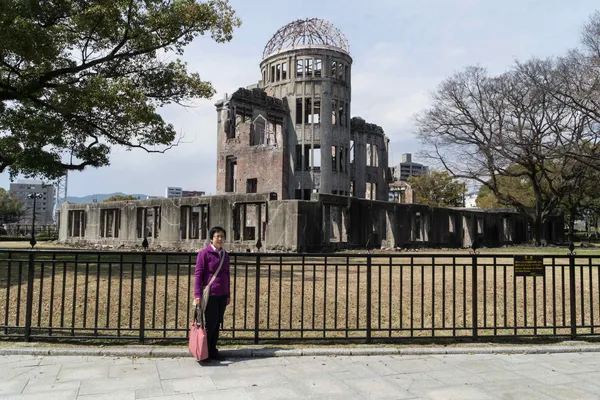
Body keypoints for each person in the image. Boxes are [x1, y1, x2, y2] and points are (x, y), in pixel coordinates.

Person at [194, 226, 231, 360]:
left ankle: (213, 349)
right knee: (210, 324)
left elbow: (227, 275)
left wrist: (228, 294)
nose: (220, 239)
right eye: (217, 236)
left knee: (217, 324)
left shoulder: (225, 255)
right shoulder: (204, 253)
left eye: (222, 236)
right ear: (211, 238)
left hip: (222, 294)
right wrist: (197, 295)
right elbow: (198, 275)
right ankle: (206, 351)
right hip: (211, 294)